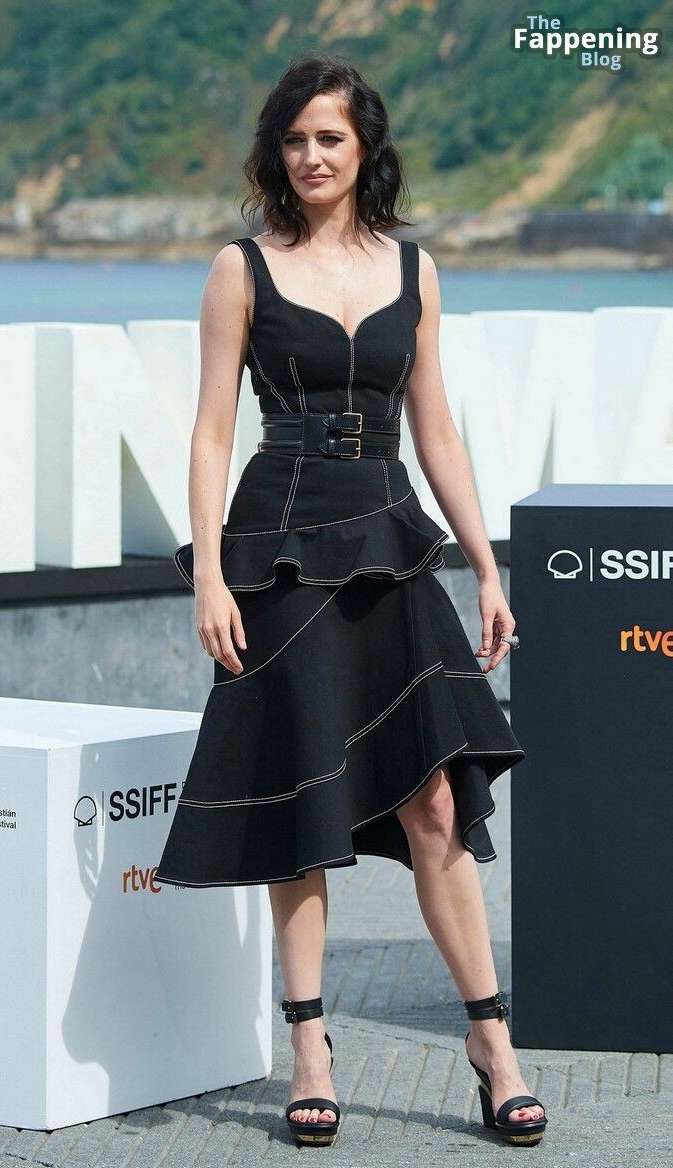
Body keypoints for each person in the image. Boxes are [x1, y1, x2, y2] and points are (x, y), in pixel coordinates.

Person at [156, 53, 547, 1149]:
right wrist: (208, 572)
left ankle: (491, 1044)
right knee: (304, 800)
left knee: (437, 804)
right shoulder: (240, 268)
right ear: (274, 153)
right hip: (278, 549)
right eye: (293, 139)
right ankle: (310, 1048)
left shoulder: (413, 269)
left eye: (329, 137)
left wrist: (485, 565)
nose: (311, 156)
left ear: (363, 145)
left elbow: (436, 428)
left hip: (388, 539)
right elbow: (210, 430)